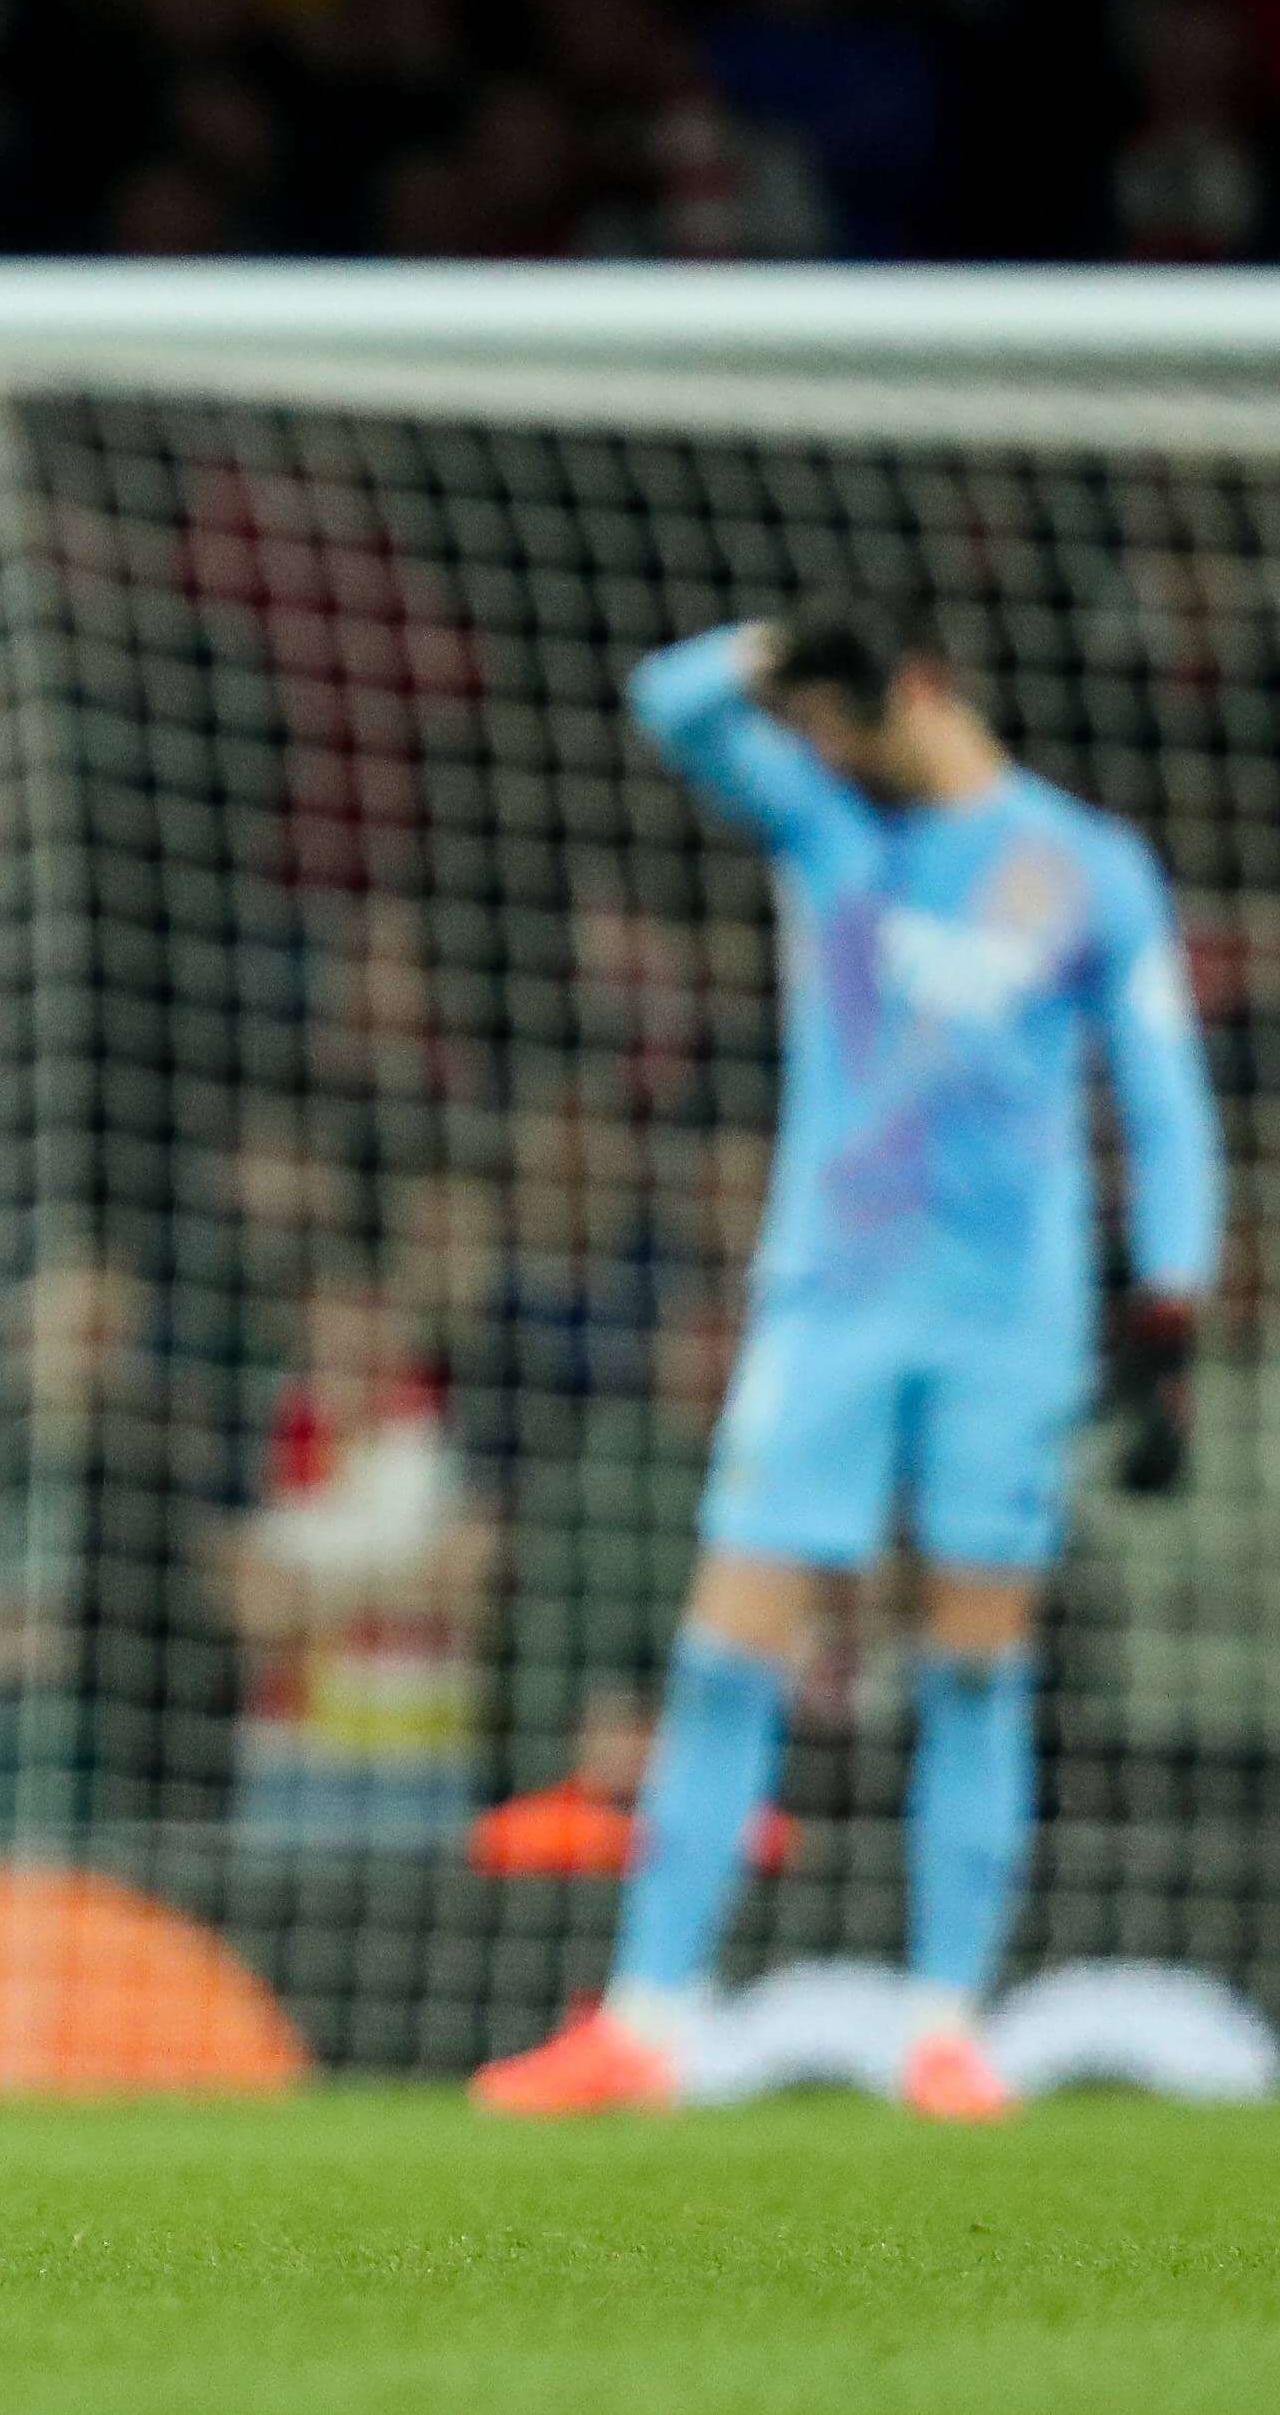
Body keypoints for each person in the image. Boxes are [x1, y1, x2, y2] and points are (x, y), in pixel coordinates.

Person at [475, 602, 1222, 2123]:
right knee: (721, 1652)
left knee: (971, 1658)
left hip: (1001, 1321)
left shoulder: (1082, 869)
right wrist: (779, 649)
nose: (816, 746)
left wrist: (1168, 1312)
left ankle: (947, 2027)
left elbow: (1166, 1106)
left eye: (846, 713)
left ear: (926, 687)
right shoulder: (831, 837)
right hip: (826, 1302)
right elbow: (662, 696)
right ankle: (644, 2018)